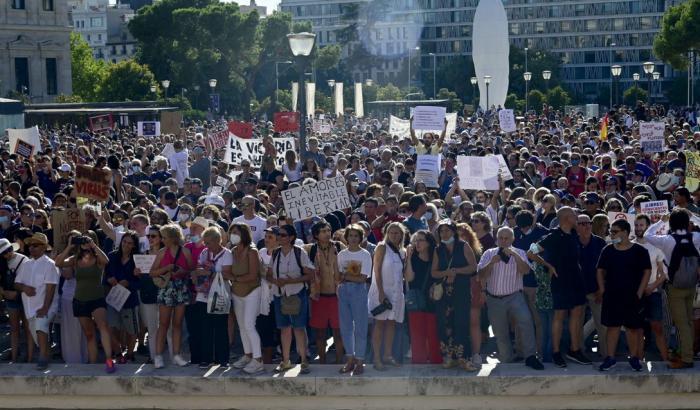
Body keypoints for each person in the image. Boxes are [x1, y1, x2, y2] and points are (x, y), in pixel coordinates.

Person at [528, 207, 590, 367]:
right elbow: (530, 252)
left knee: (577, 314)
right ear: (566, 218)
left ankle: (574, 350)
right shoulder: (553, 236)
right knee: (560, 316)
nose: (576, 217)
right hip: (560, 281)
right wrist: (548, 265)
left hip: (576, 279)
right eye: (574, 215)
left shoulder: (575, 235)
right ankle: (556, 352)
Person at [477, 227, 544, 370]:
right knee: (500, 331)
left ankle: (531, 356)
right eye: (500, 238)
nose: (503, 241)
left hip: (515, 296)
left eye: (506, 238)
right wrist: (492, 263)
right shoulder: (489, 254)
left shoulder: (519, 253)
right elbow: (481, 275)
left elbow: (525, 271)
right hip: (494, 298)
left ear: (513, 239)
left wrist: (515, 255)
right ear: (496, 239)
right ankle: (506, 359)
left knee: (526, 322)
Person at [644, 209, 700, 369]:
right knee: (688, 321)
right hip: (691, 285)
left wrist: (661, 221)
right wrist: (693, 216)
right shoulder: (695, 237)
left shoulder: (667, 240)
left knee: (681, 323)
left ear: (672, 223)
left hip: (675, 287)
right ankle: (686, 352)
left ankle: (687, 358)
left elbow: (647, 235)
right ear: (687, 223)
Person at [55, 232, 115, 373]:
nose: (84, 242)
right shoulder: (75, 259)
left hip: (97, 298)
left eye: (86, 239)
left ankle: (109, 359)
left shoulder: (98, 258)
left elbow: (106, 261)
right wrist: (70, 246)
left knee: (103, 326)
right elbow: (58, 263)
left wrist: (93, 245)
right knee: (89, 334)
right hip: (80, 300)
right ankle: (92, 363)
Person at [595, 219, 651, 371]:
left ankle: (634, 358)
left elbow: (647, 270)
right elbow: (599, 270)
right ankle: (610, 358)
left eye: (615, 231)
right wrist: (602, 289)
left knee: (632, 328)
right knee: (612, 327)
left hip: (632, 296)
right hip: (612, 296)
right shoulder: (607, 250)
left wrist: (640, 291)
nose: (611, 234)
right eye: (610, 231)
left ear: (625, 232)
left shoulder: (640, 251)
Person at [266, 224, 314, 374]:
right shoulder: (275, 253)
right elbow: (268, 274)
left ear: (291, 237)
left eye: (283, 235)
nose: (279, 237)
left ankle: (304, 360)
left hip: (297, 294)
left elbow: (310, 275)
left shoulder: (300, 253)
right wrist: (276, 281)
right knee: (284, 329)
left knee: (299, 328)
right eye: (278, 235)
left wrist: (289, 281)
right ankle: (285, 360)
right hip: (280, 294)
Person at [431, 221, 478, 371]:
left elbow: (473, 267)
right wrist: (447, 273)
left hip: (461, 291)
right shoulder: (438, 249)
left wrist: (456, 271)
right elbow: (434, 272)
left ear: (453, 231)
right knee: (445, 324)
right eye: (441, 231)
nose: (444, 233)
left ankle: (464, 358)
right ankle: (450, 357)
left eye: (447, 230)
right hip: (444, 293)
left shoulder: (463, 245)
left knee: (461, 323)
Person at [150, 224, 193, 368]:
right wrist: (167, 268)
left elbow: (191, 270)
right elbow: (152, 273)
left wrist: (182, 272)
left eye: (165, 237)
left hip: (181, 288)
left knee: (177, 324)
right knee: (163, 324)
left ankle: (176, 355)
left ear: (173, 238)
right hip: (167, 289)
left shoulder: (185, 251)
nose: (162, 239)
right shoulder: (162, 252)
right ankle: (158, 356)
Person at [190, 226, 234, 369]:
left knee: (221, 327)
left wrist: (208, 273)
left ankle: (223, 359)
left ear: (217, 241)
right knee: (206, 327)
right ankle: (206, 359)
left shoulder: (227, 254)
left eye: (208, 242)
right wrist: (199, 273)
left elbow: (227, 274)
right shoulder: (204, 252)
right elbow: (198, 270)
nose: (206, 245)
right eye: (205, 242)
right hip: (204, 295)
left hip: (220, 294)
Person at [15, 233, 59, 370]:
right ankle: (46, 353)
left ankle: (42, 358)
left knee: (41, 325)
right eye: (30, 245)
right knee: (38, 334)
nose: (31, 248)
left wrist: (46, 307)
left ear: (44, 247)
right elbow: (16, 284)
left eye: (35, 245)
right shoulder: (26, 264)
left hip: (47, 305)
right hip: (29, 308)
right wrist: (24, 287)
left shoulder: (50, 264)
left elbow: (50, 288)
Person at [368, 222, 407, 371]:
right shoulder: (381, 247)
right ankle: (377, 358)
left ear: (402, 235)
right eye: (391, 232)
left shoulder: (403, 251)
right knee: (379, 324)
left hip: (397, 292)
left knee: (391, 323)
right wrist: (381, 292)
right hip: (382, 292)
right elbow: (376, 270)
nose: (394, 235)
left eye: (397, 233)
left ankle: (387, 355)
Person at [305, 221, 345, 364]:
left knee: (338, 332)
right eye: (323, 231)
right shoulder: (309, 249)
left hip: (337, 296)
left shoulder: (339, 247)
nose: (327, 233)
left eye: (328, 230)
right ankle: (322, 362)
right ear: (316, 234)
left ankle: (339, 361)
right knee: (320, 334)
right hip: (318, 297)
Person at [336, 224, 372, 375]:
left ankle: (360, 360)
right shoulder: (341, 255)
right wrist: (345, 278)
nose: (353, 238)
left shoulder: (365, 254)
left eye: (356, 235)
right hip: (343, 291)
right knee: (345, 327)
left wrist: (346, 276)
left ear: (361, 237)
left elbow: (363, 278)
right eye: (350, 235)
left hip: (359, 291)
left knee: (361, 327)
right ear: (346, 237)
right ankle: (350, 359)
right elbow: (338, 276)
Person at [633, 214, 670, 362]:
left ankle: (665, 358)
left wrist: (651, 286)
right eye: (636, 225)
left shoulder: (656, 246)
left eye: (641, 225)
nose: (638, 228)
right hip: (636, 295)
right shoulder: (630, 245)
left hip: (653, 293)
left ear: (647, 227)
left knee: (657, 327)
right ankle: (639, 359)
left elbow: (664, 274)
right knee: (638, 329)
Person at [229, 223, 264, 374]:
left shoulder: (252, 251)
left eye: (235, 232)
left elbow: (252, 275)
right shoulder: (232, 251)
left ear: (243, 234)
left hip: (252, 292)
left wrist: (234, 279)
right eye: (231, 232)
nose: (232, 235)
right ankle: (248, 355)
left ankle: (258, 360)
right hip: (236, 293)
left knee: (249, 325)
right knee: (242, 327)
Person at [404, 230, 441, 364]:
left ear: (428, 243)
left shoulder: (435, 258)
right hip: (416, 299)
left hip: (433, 299)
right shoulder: (412, 258)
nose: (417, 243)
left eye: (421, 240)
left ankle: (435, 361)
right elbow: (409, 278)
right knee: (417, 335)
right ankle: (419, 362)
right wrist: (408, 258)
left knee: (433, 333)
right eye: (415, 240)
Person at [105, 230, 142, 363]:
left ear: (134, 245)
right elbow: (105, 275)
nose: (125, 245)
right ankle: (118, 353)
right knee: (109, 327)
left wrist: (130, 282)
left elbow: (141, 283)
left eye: (129, 243)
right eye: (124, 241)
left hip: (129, 299)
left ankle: (130, 354)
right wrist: (109, 279)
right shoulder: (112, 256)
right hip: (113, 297)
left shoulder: (138, 259)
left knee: (131, 330)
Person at [0, 238, 32, 363]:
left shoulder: (24, 260)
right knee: (14, 328)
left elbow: (30, 281)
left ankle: (29, 357)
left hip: (25, 297)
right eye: (3, 253)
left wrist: (16, 293)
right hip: (10, 298)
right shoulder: (2, 263)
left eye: (8, 251)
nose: (7, 254)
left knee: (27, 327)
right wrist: (4, 293)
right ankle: (14, 357)